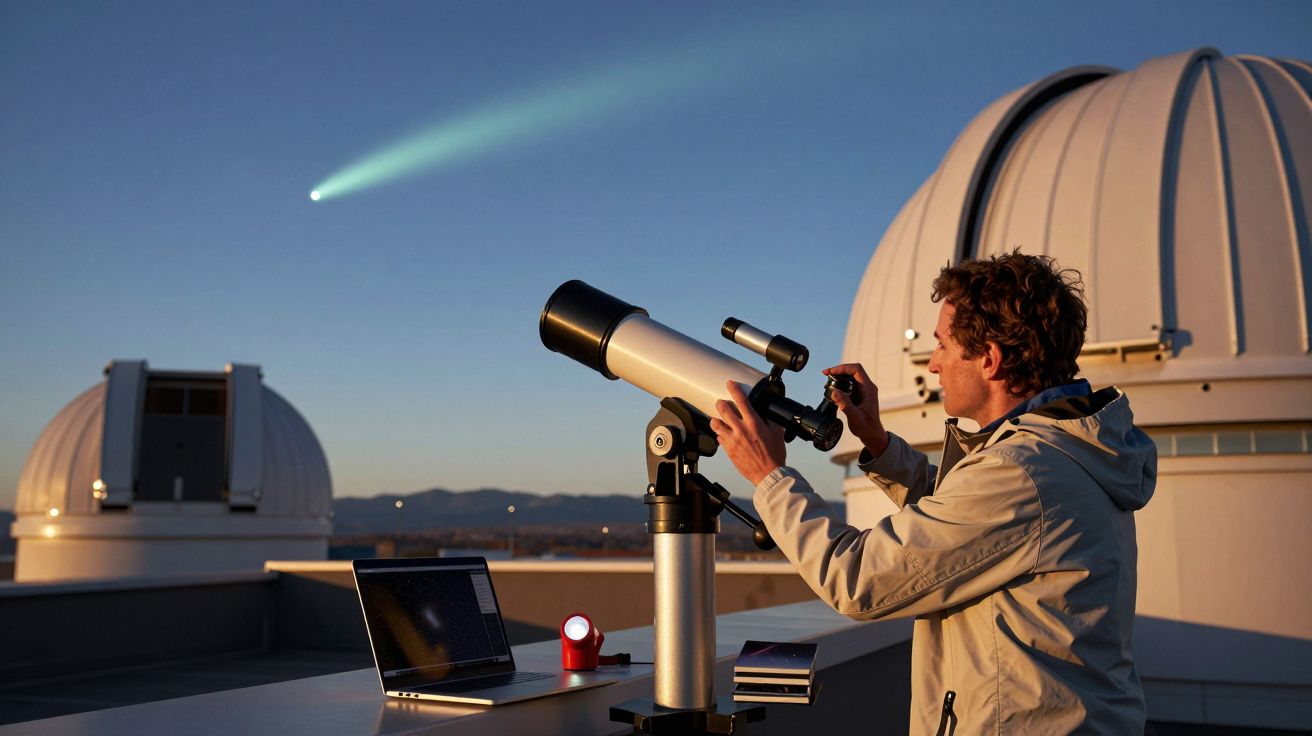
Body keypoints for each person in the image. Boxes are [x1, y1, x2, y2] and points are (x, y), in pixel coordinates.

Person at [710, 252, 1156, 735]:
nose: (934, 364)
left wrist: (771, 477)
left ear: (990, 359)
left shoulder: (1024, 472)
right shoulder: (1059, 452)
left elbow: (859, 579)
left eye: (943, 345)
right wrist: (878, 443)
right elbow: (960, 524)